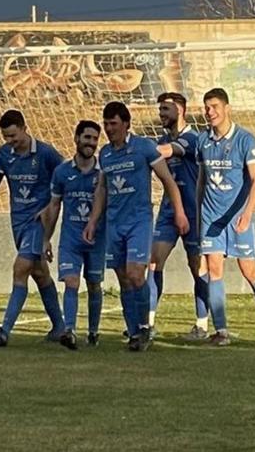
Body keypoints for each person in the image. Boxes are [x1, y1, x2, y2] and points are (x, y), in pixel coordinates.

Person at [83, 101, 189, 351]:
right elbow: (102, 189)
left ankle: (144, 326)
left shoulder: (144, 147)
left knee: (135, 274)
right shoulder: (105, 155)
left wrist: (180, 213)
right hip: (114, 224)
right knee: (122, 279)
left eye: (114, 124)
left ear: (126, 124)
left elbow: (168, 181)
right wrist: (93, 220)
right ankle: (133, 333)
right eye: (106, 124)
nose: (109, 129)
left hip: (139, 222)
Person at [196, 88, 255, 347]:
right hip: (211, 217)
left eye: (214, 106)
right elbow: (202, 181)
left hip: (237, 218)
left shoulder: (245, 140)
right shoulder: (203, 141)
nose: (210, 112)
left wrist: (247, 213)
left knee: (248, 269)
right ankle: (221, 331)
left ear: (227, 108)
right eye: (206, 107)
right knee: (214, 270)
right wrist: (198, 212)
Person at [0, 109, 65, 347]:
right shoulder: (4, 155)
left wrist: (49, 208)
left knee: (20, 268)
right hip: (18, 222)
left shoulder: (46, 153)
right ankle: (60, 327)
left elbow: (66, 177)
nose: (10, 141)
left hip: (38, 222)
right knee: (39, 273)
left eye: (13, 135)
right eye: (6, 137)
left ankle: (5, 330)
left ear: (25, 128)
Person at [146, 92, 210, 340]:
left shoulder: (192, 138)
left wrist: (143, 150)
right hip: (168, 211)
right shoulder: (161, 139)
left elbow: (169, 150)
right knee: (154, 261)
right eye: (160, 109)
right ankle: (148, 324)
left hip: (193, 212)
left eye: (166, 109)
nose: (161, 114)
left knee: (197, 267)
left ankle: (202, 325)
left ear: (180, 110)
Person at [41, 120, 106, 349]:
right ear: (76, 139)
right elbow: (54, 206)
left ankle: (93, 331)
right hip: (71, 240)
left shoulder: (103, 173)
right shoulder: (62, 172)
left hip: (98, 240)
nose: (91, 143)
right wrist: (46, 238)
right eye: (87, 138)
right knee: (71, 282)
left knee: (94, 284)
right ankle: (69, 330)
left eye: (95, 139)